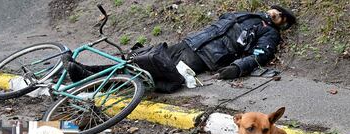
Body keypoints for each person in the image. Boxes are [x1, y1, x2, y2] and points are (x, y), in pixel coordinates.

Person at [64, 5, 296, 85]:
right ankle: (89, 73)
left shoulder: (270, 34)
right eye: (275, 11)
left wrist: (238, 68)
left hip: (204, 58)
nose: (274, 12)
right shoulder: (251, 16)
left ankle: (90, 80)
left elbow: (259, 56)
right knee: (141, 59)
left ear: (282, 22)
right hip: (190, 43)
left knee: (151, 74)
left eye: (279, 15)